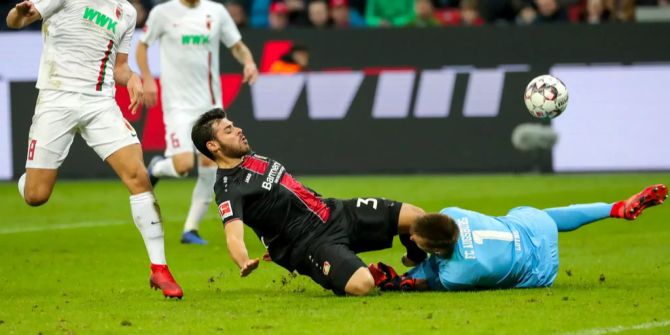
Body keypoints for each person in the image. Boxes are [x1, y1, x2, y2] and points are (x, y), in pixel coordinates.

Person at [7, 0, 182, 298]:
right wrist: (18, 13)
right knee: (36, 196)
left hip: (99, 104)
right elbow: (18, 21)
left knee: (138, 177)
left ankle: (160, 269)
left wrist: (134, 77)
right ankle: (29, 179)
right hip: (57, 98)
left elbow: (121, 67)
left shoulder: (126, 11)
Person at [190, 109, 429, 296]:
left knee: (419, 219)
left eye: (234, 125)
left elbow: (281, 198)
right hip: (313, 243)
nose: (239, 129)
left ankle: (416, 261)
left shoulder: (248, 156)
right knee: (362, 284)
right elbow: (233, 235)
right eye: (229, 130)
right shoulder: (228, 188)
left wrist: (275, 240)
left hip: (335, 212)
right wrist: (244, 260)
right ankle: (382, 276)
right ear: (213, 146)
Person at [369, 185, 668, 291]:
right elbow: (436, 236)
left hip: (539, 271)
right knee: (543, 216)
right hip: (533, 229)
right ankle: (615, 209)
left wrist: (402, 277)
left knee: (424, 274)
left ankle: (615, 209)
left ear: (435, 248)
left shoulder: (457, 274)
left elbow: (425, 280)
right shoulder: (454, 213)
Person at [136, 0, 258, 245]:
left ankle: (190, 229)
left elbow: (236, 45)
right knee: (182, 166)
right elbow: (142, 47)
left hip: (210, 105)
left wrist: (248, 61)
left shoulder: (216, 11)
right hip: (177, 105)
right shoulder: (163, 12)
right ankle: (158, 167)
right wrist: (147, 78)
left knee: (211, 165)